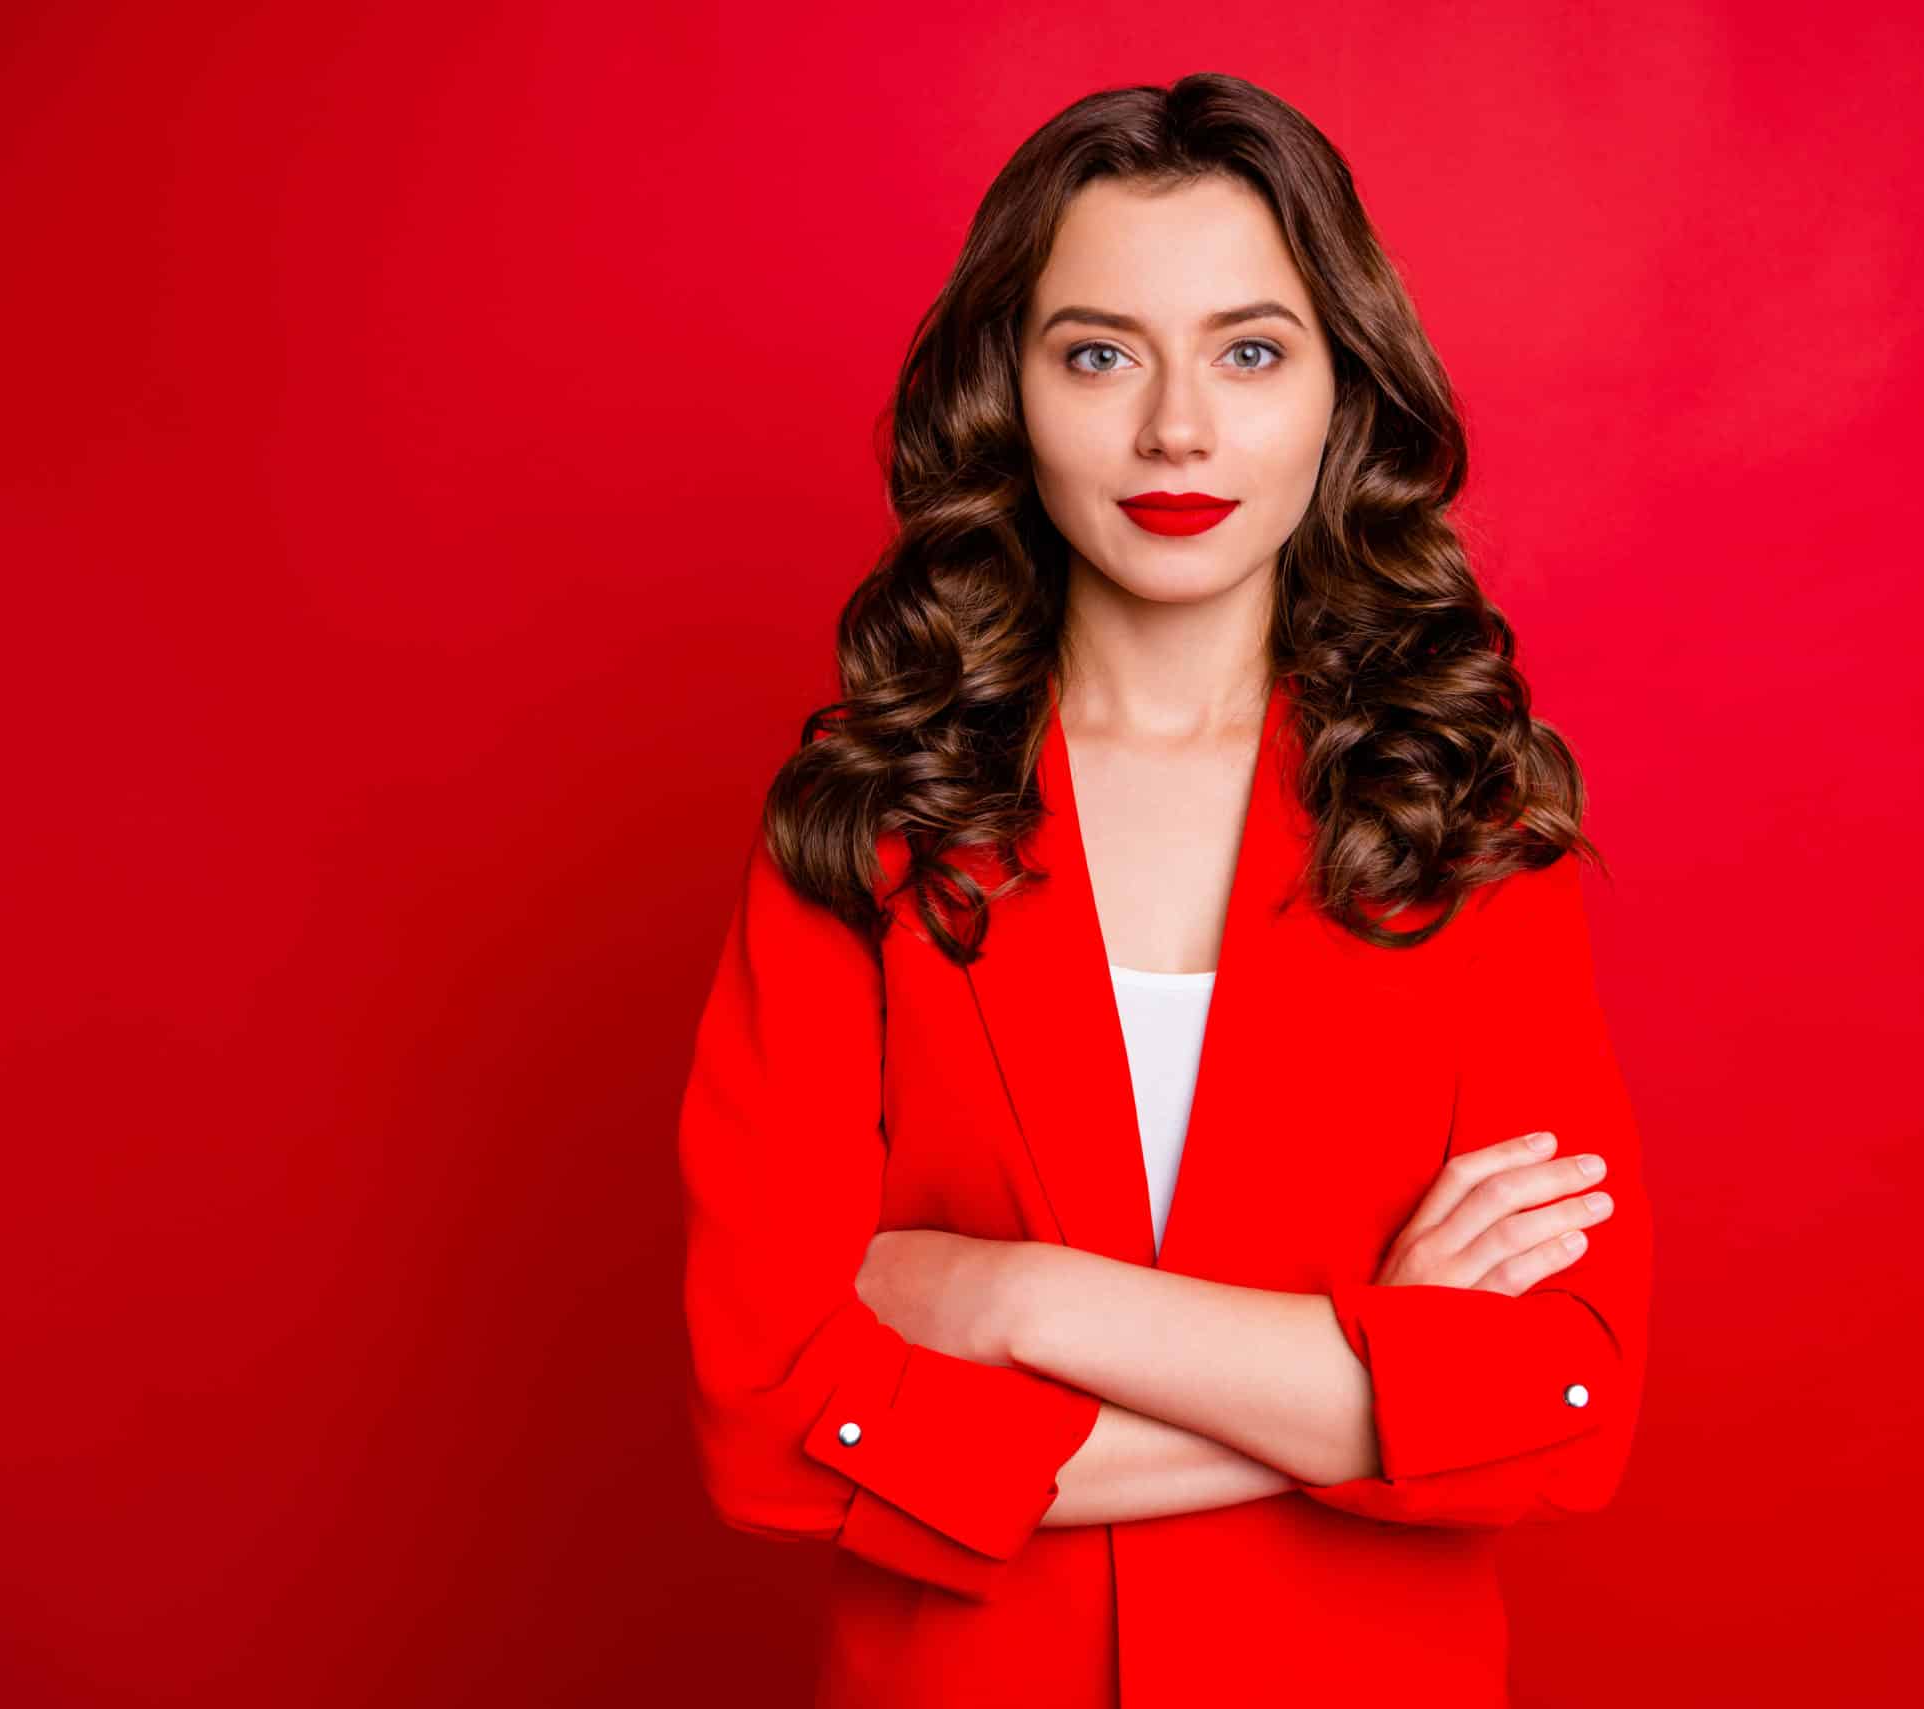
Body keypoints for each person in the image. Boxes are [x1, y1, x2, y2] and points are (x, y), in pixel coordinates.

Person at [677, 71, 1655, 1709]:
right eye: (1100, 352)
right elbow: (773, 1428)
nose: (1176, 430)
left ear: (1343, 394)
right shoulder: (867, 820)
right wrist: (1362, 1380)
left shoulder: (1463, 815)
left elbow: (1562, 1409)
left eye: (1251, 350)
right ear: (1011, 391)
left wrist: (1010, 1297)